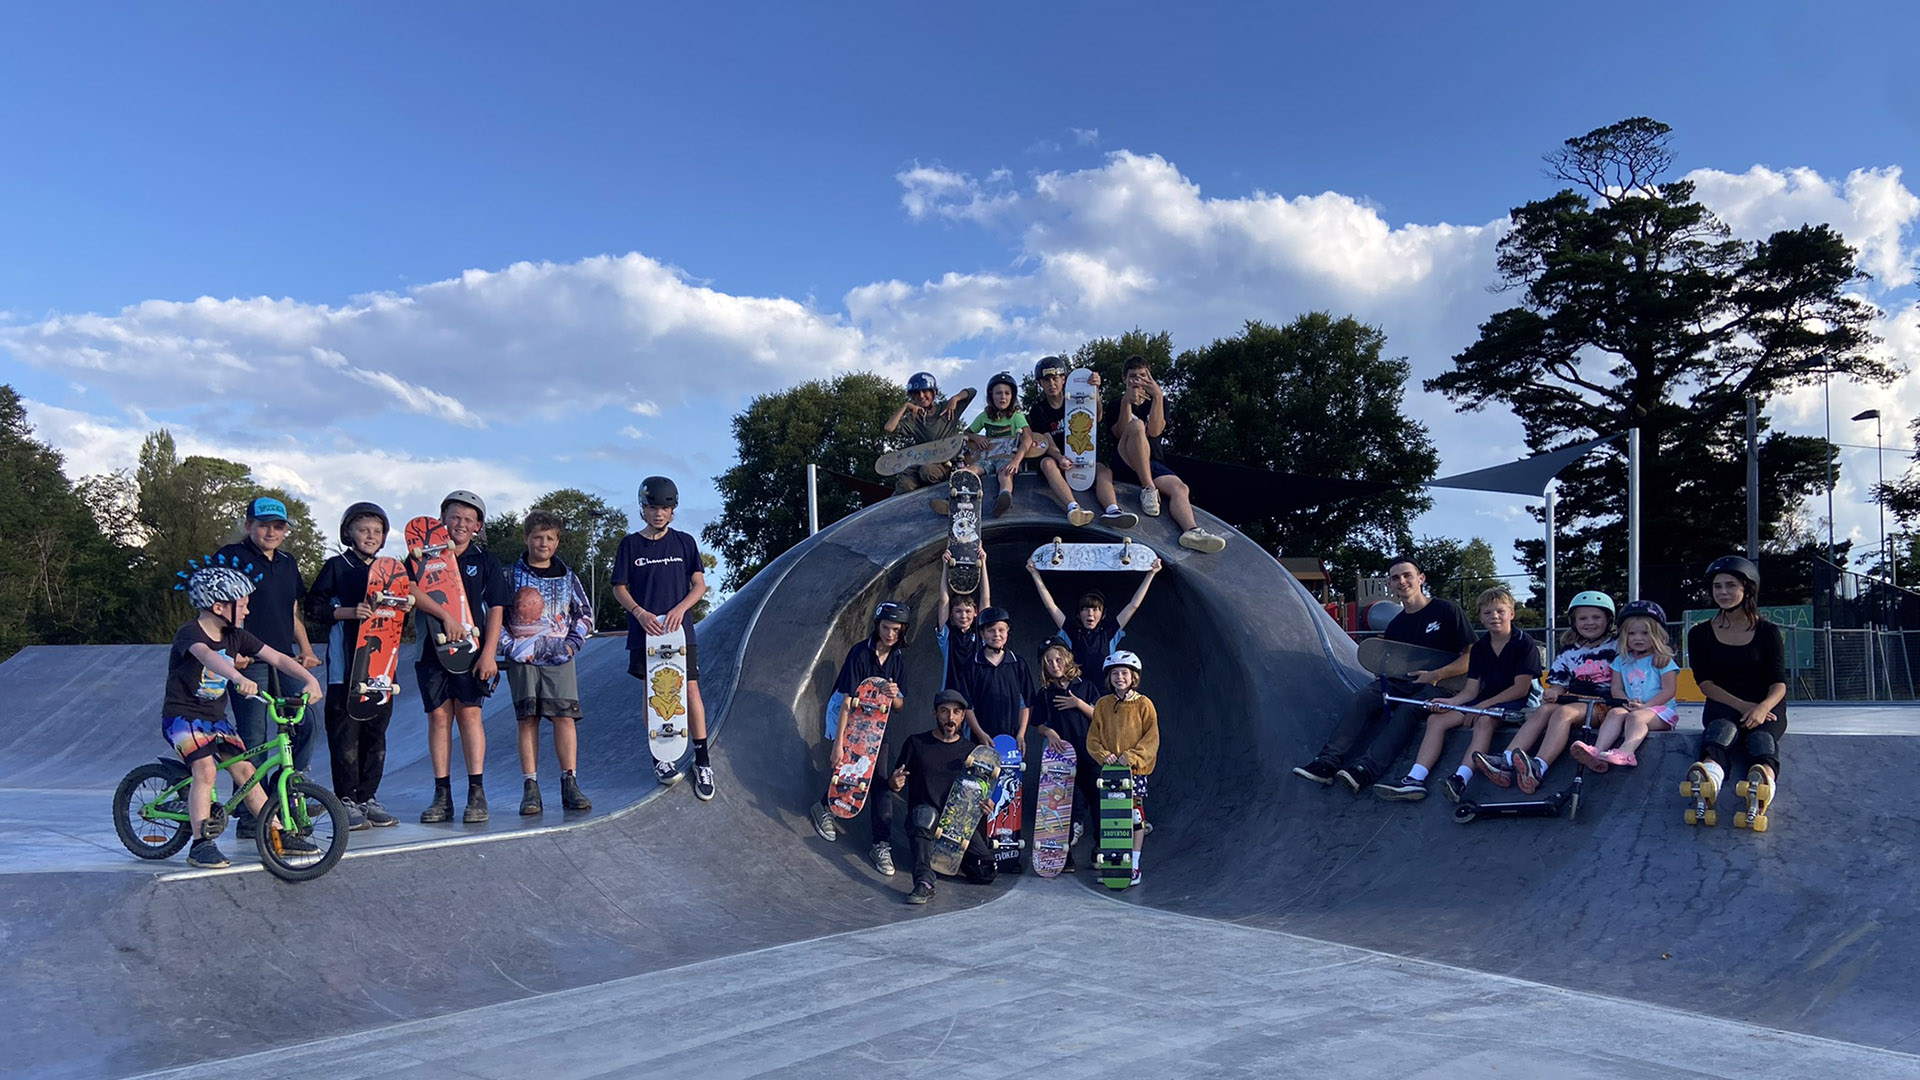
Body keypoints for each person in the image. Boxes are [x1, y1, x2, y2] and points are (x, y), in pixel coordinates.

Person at [163, 559, 324, 869]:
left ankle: (274, 832)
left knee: (247, 773)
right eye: (243, 605)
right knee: (206, 771)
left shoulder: (238, 636)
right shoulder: (191, 632)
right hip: (182, 717)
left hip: (215, 719)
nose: (248, 611)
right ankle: (200, 844)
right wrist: (237, 677)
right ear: (220, 606)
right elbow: (208, 656)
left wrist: (309, 679)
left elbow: (276, 656)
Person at [1293, 557, 1474, 793]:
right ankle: (1327, 762)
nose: (1402, 581)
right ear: (1390, 585)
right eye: (1395, 578)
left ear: (1421, 579)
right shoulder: (1396, 625)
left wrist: (1436, 674)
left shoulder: (1447, 611)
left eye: (1407, 575)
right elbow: (1392, 661)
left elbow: (1472, 656)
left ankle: (1367, 770)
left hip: (1443, 685)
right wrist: (1384, 674)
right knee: (1365, 697)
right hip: (1403, 682)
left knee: (1408, 709)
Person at [1375, 586, 1542, 803]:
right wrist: (1450, 702)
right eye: (1488, 612)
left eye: (1500, 611)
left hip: (1515, 703)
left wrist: (1481, 707)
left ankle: (1460, 779)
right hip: (1483, 701)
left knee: (1483, 722)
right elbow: (1471, 690)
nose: (1494, 617)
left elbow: (1520, 689)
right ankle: (1415, 779)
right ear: (1480, 617)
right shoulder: (1481, 647)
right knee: (1436, 719)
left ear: (1511, 613)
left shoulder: (1524, 644)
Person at [216, 496, 322, 836]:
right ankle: (252, 817)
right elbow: (216, 608)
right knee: (255, 737)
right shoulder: (231, 557)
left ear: (286, 531)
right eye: (263, 525)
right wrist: (231, 648)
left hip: (283, 657)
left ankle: (286, 793)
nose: (271, 532)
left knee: (304, 723)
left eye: (278, 526)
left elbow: (291, 613)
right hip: (247, 660)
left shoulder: (288, 563)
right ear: (249, 526)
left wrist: (305, 649)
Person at [408, 490, 510, 824]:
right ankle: (442, 796)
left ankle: (476, 794)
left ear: (478, 526)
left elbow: (497, 609)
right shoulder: (421, 556)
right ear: (442, 520)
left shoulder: (485, 561)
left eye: (468, 519)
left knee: (469, 716)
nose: (461, 524)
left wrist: (490, 654)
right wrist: (444, 615)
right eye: (454, 517)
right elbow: (409, 589)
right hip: (431, 651)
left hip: (472, 653)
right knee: (439, 718)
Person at [613, 476, 717, 799]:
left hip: (679, 631)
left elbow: (698, 585)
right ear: (642, 509)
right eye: (653, 507)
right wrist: (640, 613)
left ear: (673, 510)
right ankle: (662, 758)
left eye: (665, 508)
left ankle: (702, 761)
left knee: (690, 689)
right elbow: (619, 588)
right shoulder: (630, 545)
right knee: (652, 690)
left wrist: (681, 609)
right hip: (646, 634)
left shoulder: (684, 542)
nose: (659, 513)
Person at [304, 502, 401, 829]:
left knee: (376, 731)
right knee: (345, 731)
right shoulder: (337, 566)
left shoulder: (391, 570)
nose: (370, 536)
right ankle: (345, 797)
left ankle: (367, 796)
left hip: (382, 664)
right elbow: (312, 608)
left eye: (377, 531)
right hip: (346, 666)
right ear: (349, 533)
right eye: (363, 530)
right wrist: (348, 612)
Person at [499, 510, 596, 816]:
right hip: (523, 657)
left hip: (559, 657)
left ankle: (570, 782)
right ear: (527, 538)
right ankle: (530, 787)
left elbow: (585, 614)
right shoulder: (509, 576)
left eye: (550, 538)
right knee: (528, 719)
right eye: (537, 537)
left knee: (564, 717)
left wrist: (571, 645)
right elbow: (495, 616)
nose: (543, 543)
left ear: (557, 541)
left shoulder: (568, 577)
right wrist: (511, 647)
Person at [1474, 590, 1617, 795]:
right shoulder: (1569, 651)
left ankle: (1539, 766)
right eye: (1583, 618)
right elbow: (1559, 682)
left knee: (1562, 713)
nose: (1589, 623)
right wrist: (1553, 692)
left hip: (1603, 705)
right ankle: (1506, 760)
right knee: (1544, 710)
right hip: (1575, 702)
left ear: (1608, 619)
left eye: (1596, 617)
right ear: (1574, 622)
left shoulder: (1618, 646)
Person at [809, 600, 910, 874]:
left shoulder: (898, 659)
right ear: (877, 626)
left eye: (896, 630)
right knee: (846, 770)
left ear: (902, 632)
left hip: (878, 731)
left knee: (879, 782)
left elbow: (900, 705)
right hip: (852, 724)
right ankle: (824, 808)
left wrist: (893, 695)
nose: (890, 634)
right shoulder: (859, 653)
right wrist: (839, 744)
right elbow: (846, 701)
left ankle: (881, 844)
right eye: (886, 628)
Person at [1683, 557, 1787, 817]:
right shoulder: (1700, 634)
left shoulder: (1768, 632)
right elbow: (1704, 682)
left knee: (1761, 738)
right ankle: (1709, 781)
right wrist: (1743, 706)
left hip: (1766, 703)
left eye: (1730, 586)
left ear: (1747, 589)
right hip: (1724, 701)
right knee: (1722, 730)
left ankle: (1764, 785)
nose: (1723, 593)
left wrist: (1761, 708)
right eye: (1717, 587)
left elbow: (1779, 683)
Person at [1108, 354, 1227, 553]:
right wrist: (1126, 403)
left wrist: (1158, 397)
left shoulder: (1160, 401)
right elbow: (1120, 433)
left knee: (1180, 487)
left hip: (1152, 462)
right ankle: (1148, 489)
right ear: (1125, 379)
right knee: (1136, 425)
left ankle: (1191, 530)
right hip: (1126, 462)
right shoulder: (1115, 404)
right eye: (1133, 376)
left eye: (1143, 376)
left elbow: (1155, 430)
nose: (1138, 380)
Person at [891, 689, 998, 904]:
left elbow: (980, 794)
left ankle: (950, 862)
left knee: (986, 872)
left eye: (956, 712)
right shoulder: (916, 743)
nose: (950, 718)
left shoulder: (973, 752)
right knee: (923, 814)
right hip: (926, 821)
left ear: (962, 716)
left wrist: (987, 806)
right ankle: (924, 881)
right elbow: (894, 784)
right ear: (935, 714)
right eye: (944, 712)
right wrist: (894, 783)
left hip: (955, 826)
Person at [1024, 355, 1137, 529]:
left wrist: (1095, 392)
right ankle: (1073, 507)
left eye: (1055, 379)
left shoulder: (1079, 397)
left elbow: (1097, 417)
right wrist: (1060, 457)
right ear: (1040, 383)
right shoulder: (1038, 409)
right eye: (1046, 380)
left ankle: (1112, 510)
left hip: (1083, 455)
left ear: (1063, 379)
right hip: (1058, 459)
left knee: (1104, 471)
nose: (1051, 384)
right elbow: (1047, 441)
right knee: (1046, 463)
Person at [1572, 600, 1678, 771]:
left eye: (1645, 633)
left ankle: (1627, 751)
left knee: (1636, 717)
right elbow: (1616, 688)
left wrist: (1645, 706)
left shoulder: (1663, 659)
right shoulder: (1621, 661)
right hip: (1634, 707)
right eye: (1631, 634)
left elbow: (1669, 690)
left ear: (1658, 634)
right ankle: (1597, 751)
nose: (1638, 638)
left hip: (1661, 711)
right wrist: (1627, 701)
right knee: (1615, 713)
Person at [1086, 650, 1159, 888]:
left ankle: (1134, 864)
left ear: (1133, 677)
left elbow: (1151, 738)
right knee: (1111, 817)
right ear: (1110, 677)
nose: (1120, 677)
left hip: (1134, 772)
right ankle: (1113, 865)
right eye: (1115, 673)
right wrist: (1102, 755)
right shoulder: (1103, 704)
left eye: (1124, 673)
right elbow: (1093, 738)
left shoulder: (1144, 704)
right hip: (1110, 773)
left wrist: (1132, 756)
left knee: (1134, 817)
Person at [1030, 640, 1101, 870]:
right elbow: (1037, 723)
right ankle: (1063, 855)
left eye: (1058, 659)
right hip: (1062, 758)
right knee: (1063, 807)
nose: (1054, 664)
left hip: (1089, 754)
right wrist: (1048, 732)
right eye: (1048, 662)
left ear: (1067, 659)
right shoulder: (1045, 693)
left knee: (1097, 802)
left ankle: (1100, 848)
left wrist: (1078, 703)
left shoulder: (1085, 686)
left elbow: (1100, 717)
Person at [1028, 553, 1162, 676]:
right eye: (1085, 609)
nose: (1090, 614)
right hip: (1078, 691)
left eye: (1095, 609)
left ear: (1102, 614)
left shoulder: (1109, 632)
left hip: (1104, 694)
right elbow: (1051, 607)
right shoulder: (1072, 631)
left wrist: (1151, 574)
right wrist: (1034, 574)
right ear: (1079, 614)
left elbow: (1133, 605)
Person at [883, 371, 977, 510]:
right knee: (906, 483)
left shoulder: (946, 409)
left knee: (927, 472)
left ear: (934, 393)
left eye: (925, 391)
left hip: (945, 462)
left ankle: (948, 500)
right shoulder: (913, 419)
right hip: (921, 459)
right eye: (916, 393)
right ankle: (891, 509)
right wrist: (906, 407)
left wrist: (955, 399)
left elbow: (972, 391)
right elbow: (889, 428)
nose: (921, 396)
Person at [950, 606, 1031, 747]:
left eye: (1001, 630)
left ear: (1008, 632)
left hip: (1012, 741)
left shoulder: (1018, 663)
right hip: (980, 740)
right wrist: (980, 734)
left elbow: (1025, 703)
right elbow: (967, 706)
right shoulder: (972, 665)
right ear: (982, 633)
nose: (997, 635)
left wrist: (1021, 734)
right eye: (991, 630)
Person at [965, 371, 1029, 518]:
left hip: (1006, 457)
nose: (1003, 397)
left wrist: (1016, 460)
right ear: (991, 396)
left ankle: (1004, 497)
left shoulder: (1016, 417)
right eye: (998, 393)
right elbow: (965, 433)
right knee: (970, 471)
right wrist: (976, 437)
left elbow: (1028, 439)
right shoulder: (985, 416)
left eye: (1007, 393)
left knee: (1005, 473)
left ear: (1012, 396)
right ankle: (955, 499)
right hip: (987, 457)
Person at [936, 542, 989, 690]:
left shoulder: (981, 633)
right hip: (952, 696)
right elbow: (943, 601)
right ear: (952, 613)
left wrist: (983, 564)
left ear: (975, 612)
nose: (963, 616)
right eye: (958, 611)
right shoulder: (947, 635)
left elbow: (985, 599)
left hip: (977, 695)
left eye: (967, 611)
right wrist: (945, 566)